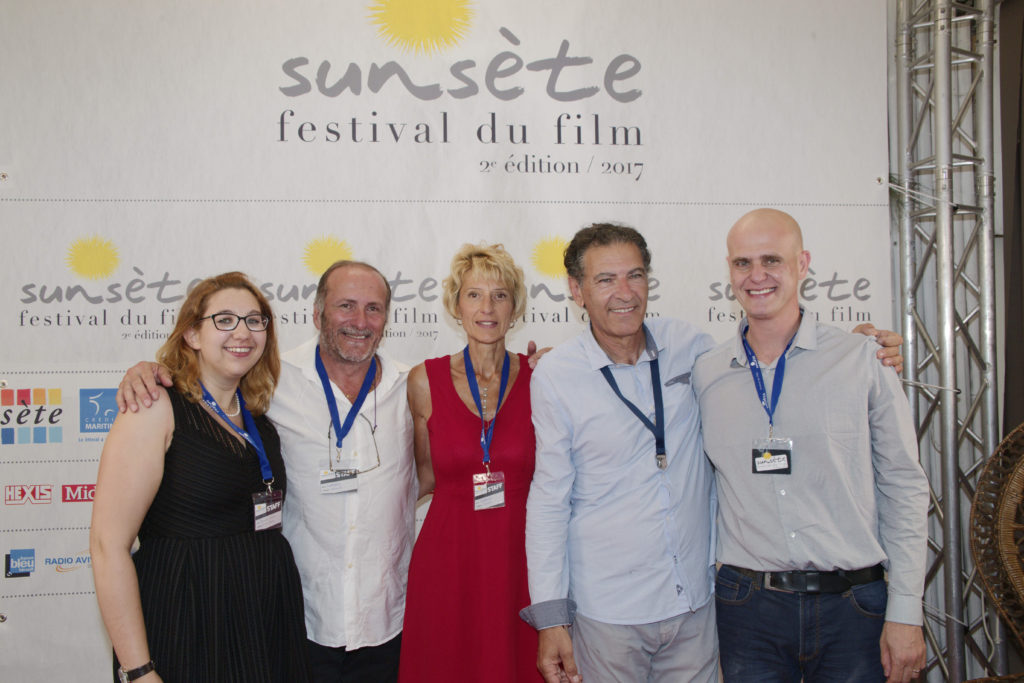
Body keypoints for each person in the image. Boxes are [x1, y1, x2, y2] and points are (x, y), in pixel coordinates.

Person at [520, 223, 906, 683]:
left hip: (696, 606)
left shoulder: (692, 348)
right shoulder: (557, 374)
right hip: (608, 611)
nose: (624, 292)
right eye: (605, 279)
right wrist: (551, 617)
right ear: (576, 290)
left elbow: (770, 358)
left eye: (635, 275)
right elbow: (549, 500)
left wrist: (854, 348)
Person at [116, 261, 416, 682]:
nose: (360, 321)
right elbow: (202, 384)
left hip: (382, 622)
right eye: (345, 305)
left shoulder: (413, 388)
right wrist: (149, 371)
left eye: (374, 308)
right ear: (317, 314)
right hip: (294, 621)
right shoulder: (272, 379)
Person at [691, 208, 928, 683]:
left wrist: (906, 610)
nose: (757, 276)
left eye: (772, 260)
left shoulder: (863, 360)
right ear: (729, 270)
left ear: (802, 264)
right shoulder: (706, 373)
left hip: (854, 606)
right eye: (742, 263)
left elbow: (903, 485)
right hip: (748, 608)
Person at [91, 272, 310, 683]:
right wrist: (138, 670)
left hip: (262, 619)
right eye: (224, 320)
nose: (242, 332)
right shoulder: (155, 407)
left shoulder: (260, 419)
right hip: (187, 616)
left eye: (254, 320)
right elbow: (108, 546)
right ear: (192, 334)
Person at [398, 244, 542, 682]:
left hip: (522, 559)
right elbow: (425, 477)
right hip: (449, 560)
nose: (487, 308)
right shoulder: (424, 381)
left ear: (515, 307)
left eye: (500, 295)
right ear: (455, 305)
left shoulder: (543, 377)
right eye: (474, 294)